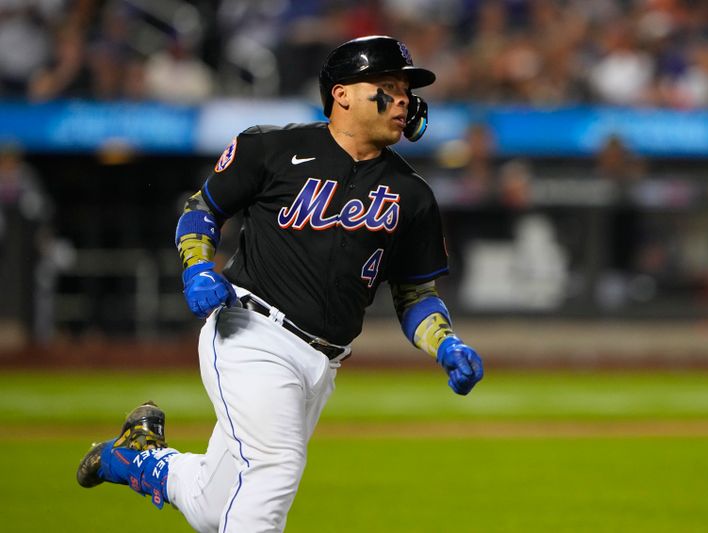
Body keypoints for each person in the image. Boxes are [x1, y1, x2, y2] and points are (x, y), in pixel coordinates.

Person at [76, 35, 484, 533]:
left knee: (211, 503)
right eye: (387, 86)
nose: (403, 99)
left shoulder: (412, 195)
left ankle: (136, 459)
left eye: (405, 89)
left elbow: (415, 294)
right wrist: (197, 267)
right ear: (342, 94)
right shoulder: (272, 147)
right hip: (251, 334)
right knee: (275, 469)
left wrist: (446, 343)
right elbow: (202, 210)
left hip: (322, 363)